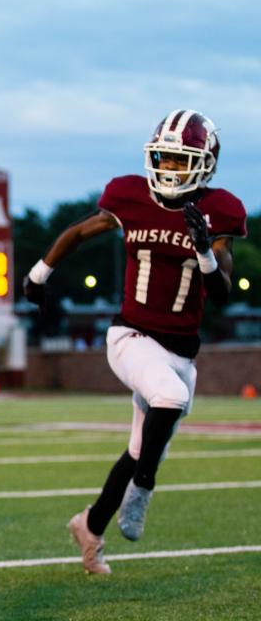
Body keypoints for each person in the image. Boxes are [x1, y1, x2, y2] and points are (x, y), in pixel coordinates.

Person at [22, 109, 246, 575]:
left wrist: (206, 250)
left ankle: (90, 527)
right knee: (170, 399)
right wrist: (38, 274)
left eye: (181, 161)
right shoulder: (129, 195)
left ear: (204, 164)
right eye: (164, 158)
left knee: (144, 448)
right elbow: (81, 230)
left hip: (182, 351)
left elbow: (222, 291)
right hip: (131, 335)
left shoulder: (219, 209)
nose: (169, 170)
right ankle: (143, 489)